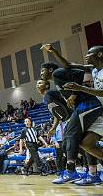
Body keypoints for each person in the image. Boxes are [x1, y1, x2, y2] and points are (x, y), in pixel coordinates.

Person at [42, 44, 103, 185]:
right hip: (100, 110)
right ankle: (92, 174)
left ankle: (71, 171)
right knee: (86, 143)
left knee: (71, 133)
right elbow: (69, 64)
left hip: (95, 106)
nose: (86, 56)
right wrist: (53, 51)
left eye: (89, 53)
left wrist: (78, 89)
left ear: (99, 54)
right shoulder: (93, 70)